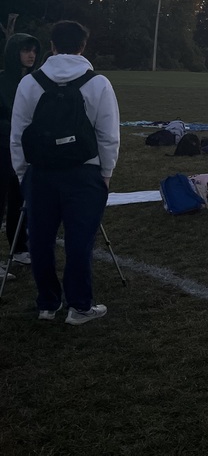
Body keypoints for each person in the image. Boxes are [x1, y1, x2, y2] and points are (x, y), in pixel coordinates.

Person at [10, 20, 120, 324]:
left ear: (52, 46)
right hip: (83, 174)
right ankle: (79, 306)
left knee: (41, 240)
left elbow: (19, 134)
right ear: (82, 46)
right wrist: (105, 173)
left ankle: (47, 303)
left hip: (40, 173)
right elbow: (108, 135)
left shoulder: (30, 83)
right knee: (79, 240)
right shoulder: (98, 83)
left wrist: (23, 175)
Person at [1, 32, 41, 277]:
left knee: (19, 198)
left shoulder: (35, 81)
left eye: (34, 51)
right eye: (26, 50)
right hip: (3, 149)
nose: (31, 55)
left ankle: (19, 248)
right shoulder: (3, 81)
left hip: (26, 150)